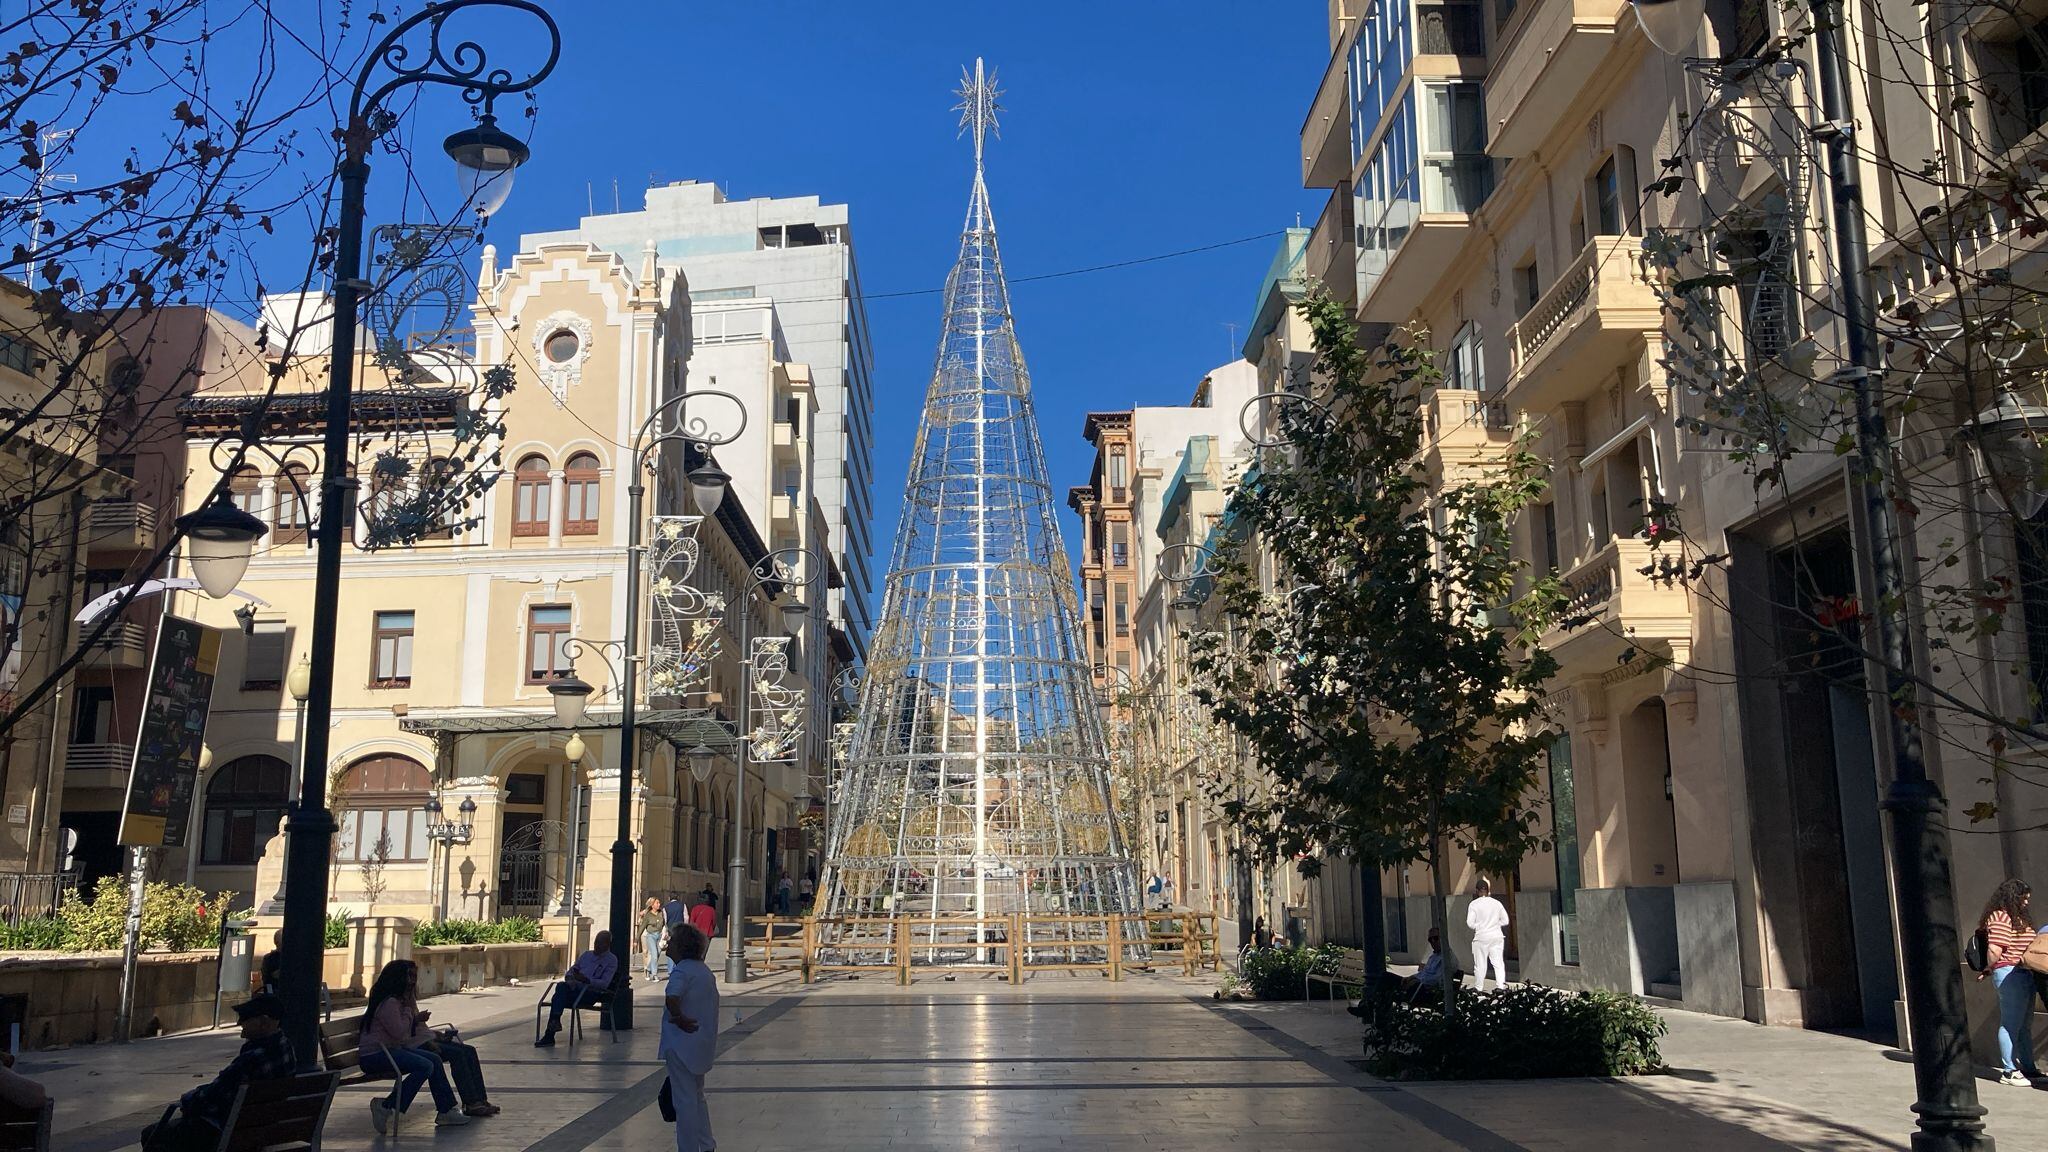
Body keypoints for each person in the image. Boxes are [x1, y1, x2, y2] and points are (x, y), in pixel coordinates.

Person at [142, 994, 294, 1151]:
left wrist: (189, 1099)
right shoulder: (285, 1047)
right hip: (260, 1128)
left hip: (228, 1132)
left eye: (246, 1018)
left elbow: (213, 1095)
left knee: (153, 1135)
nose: (239, 1023)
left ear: (263, 1022)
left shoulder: (252, 1059)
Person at [359, 959, 495, 1130]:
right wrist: (412, 1015)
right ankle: (389, 1106)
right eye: (409, 976)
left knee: (440, 1058)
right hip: (378, 1054)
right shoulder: (391, 1003)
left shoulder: (401, 1002)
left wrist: (431, 1033)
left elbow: (408, 1031)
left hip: (393, 1050)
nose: (412, 982)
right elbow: (401, 1033)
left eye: (414, 976)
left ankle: (453, 1107)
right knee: (428, 1063)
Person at [1977, 878, 2044, 1086]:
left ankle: (2027, 1067)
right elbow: (1995, 948)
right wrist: (1988, 968)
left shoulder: (2018, 918)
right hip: (2009, 973)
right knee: (2011, 1023)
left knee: (2024, 1024)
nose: (2026, 903)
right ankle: (2008, 1070)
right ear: (2012, 897)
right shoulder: (2000, 917)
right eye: (2023, 898)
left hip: (2023, 973)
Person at [661, 925, 720, 1152]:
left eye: (673, 940)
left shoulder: (682, 971)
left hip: (681, 1045)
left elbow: (672, 997)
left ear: (681, 946)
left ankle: (687, 1148)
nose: (668, 943)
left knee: (684, 1102)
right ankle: (706, 1144)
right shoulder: (703, 971)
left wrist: (678, 1017)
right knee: (696, 1097)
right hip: (700, 1045)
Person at [536, 931, 619, 1047]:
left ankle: (550, 1033)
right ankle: (553, 1025)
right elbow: (572, 971)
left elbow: (604, 983)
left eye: (600, 943)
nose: (597, 946)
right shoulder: (586, 955)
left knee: (558, 997)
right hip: (574, 988)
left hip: (590, 992)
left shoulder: (611, 960)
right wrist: (572, 978)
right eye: (596, 942)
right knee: (561, 988)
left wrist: (586, 980)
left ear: (607, 944)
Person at [1466, 879, 1510, 991]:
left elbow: (1470, 923)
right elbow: (1505, 921)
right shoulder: (1497, 903)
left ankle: (1479, 987)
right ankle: (1500, 986)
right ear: (1488, 890)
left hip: (1481, 937)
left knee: (1480, 964)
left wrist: (1479, 926)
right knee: (1498, 963)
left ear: (1477, 891)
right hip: (1497, 936)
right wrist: (1495, 925)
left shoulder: (1474, 904)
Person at [641, 897, 669, 979]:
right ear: (652, 905)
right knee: (651, 953)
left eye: (659, 903)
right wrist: (636, 939)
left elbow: (664, 922)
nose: (659, 904)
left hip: (659, 935)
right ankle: (654, 974)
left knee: (656, 953)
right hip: (649, 935)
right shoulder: (647, 913)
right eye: (657, 903)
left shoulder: (661, 912)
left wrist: (665, 931)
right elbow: (642, 925)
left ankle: (648, 968)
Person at [259, 929, 284, 995]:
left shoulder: (294, 957)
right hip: (275, 992)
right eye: (278, 942)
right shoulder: (269, 958)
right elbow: (267, 980)